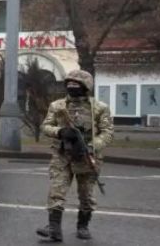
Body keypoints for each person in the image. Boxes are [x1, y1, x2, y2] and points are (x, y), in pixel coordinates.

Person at [36, 69, 114, 241]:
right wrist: (60, 131)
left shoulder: (99, 108)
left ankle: (83, 226)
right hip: (62, 155)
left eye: (76, 84)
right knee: (56, 191)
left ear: (86, 86)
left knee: (86, 195)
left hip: (87, 157)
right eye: (69, 84)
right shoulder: (58, 106)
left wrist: (92, 146)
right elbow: (45, 126)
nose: (72, 87)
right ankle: (54, 229)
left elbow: (107, 132)